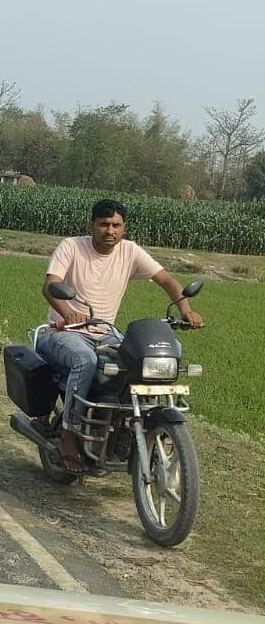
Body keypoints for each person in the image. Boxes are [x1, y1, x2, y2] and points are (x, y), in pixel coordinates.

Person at [37, 198, 204, 472]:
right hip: (66, 332)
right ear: (92, 225)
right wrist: (68, 313)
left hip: (106, 334)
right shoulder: (71, 247)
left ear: (124, 227)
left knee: (147, 355)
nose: (110, 230)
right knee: (85, 360)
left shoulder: (129, 251)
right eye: (103, 224)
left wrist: (186, 311)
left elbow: (167, 281)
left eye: (116, 225)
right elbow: (50, 285)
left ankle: (132, 426)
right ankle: (69, 433)